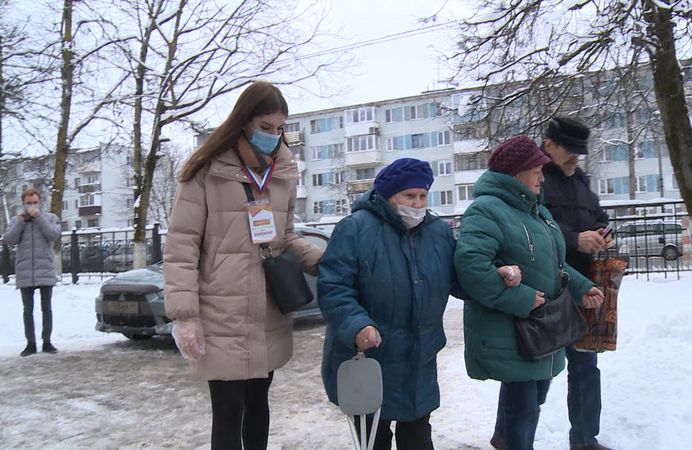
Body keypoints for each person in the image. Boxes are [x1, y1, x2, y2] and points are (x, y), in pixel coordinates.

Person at [163, 81, 324, 450]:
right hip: (222, 310)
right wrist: (186, 315)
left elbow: (285, 236)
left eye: (280, 129)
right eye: (265, 128)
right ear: (243, 122)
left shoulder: (282, 174)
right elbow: (181, 246)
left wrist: (324, 261)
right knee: (228, 407)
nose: (273, 136)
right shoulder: (206, 171)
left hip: (266, 308)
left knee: (258, 402)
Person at [317, 157, 519, 450]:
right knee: (374, 439)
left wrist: (494, 275)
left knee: (418, 436)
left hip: (418, 359)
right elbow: (333, 286)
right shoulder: (355, 228)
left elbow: (459, 279)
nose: (417, 203)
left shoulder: (437, 231)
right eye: (409, 195)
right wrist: (357, 324)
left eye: (423, 195)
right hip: (371, 356)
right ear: (388, 196)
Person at [453, 136, 604, 450]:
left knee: (530, 401)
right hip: (511, 329)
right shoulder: (486, 210)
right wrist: (519, 298)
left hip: (541, 328)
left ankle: (505, 439)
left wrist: (582, 287)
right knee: (523, 408)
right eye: (536, 170)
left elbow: (555, 265)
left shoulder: (536, 211)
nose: (542, 177)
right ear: (516, 173)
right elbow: (471, 267)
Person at [540, 116, 614, 450]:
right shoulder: (534, 178)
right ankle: (510, 435)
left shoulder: (580, 179)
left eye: (579, 152)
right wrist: (573, 240)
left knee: (585, 367)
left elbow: (601, 220)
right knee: (536, 369)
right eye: (569, 151)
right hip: (547, 286)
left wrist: (603, 236)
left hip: (585, 288)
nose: (575, 158)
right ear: (549, 145)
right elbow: (529, 228)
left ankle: (585, 440)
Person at [3, 188, 61, 357]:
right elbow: (8, 240)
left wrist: (39, 218)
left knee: (46, 308)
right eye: (29, 203)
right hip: (25, 270)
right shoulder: (17, 220)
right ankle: (30, 343)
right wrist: (21, 222)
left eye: (35, 202)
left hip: (45, 269)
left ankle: (47, 342)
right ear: (23, 203)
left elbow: (53, 235)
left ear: (40, 202)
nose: (32, 205)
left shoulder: (50, 218)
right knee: (27, 310)